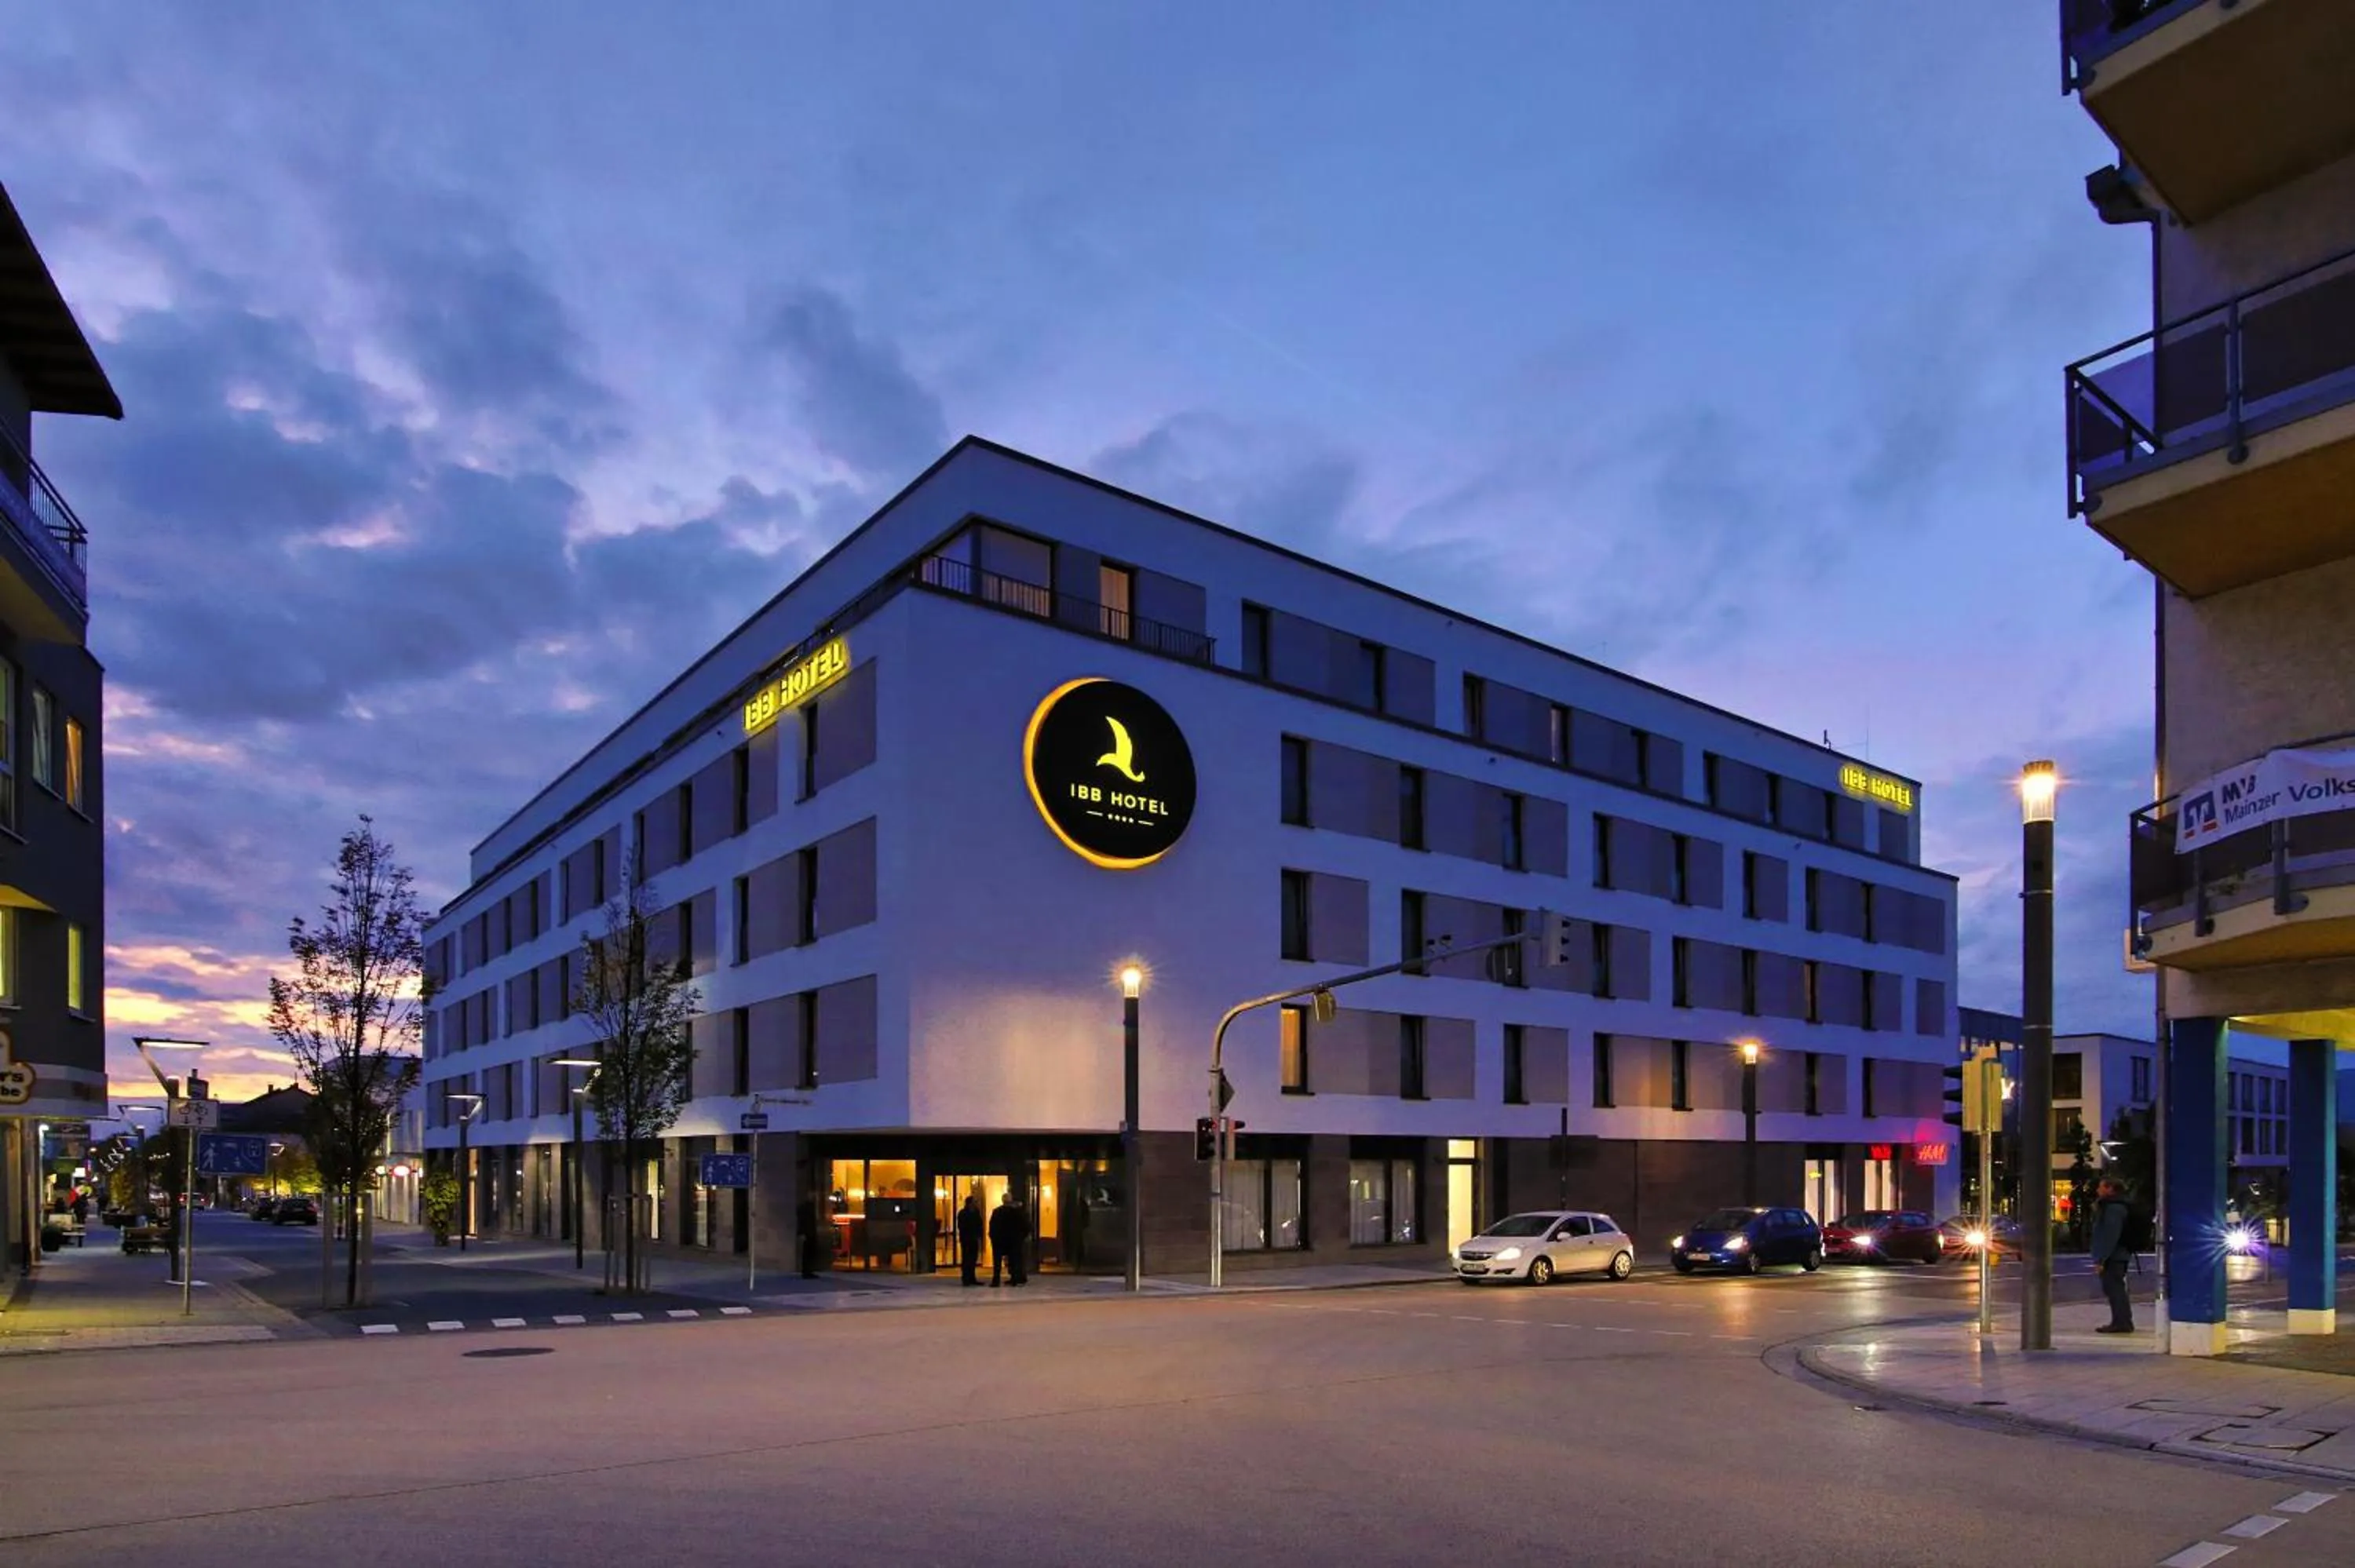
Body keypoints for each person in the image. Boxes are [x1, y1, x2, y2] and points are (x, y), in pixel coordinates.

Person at [2088, 1177, 2135, 1334]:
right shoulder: (2117, 1206)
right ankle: (2122, 1321)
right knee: (2115, 1289)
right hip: (2117, 1254)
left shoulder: (2114, 1208)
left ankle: (2122, 1323)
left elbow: (2110, 1235)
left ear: (2110, 1189)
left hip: (2113, 1256)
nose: (2098, 1190)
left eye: (2101, 1187)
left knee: (2114, 1289)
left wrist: (2101, 1259)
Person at [988, 1191, 1029, 1287]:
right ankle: (1014, 1279)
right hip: (1013, 1241)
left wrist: (993, 1237)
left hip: (999, 1241)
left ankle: (996, 1280)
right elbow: (1025, 1225)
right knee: (1014, 1260)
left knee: (997, 1261)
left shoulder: (997, 1211)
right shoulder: (1016, 1212)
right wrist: (1021, 1237)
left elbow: (992, 1226)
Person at [956, 1191, 985, 1287]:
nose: (976, 1204)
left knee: (973, 1259)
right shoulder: (963, 1213)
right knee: (966, 1259)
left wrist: (979, 1235)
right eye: (974, 1202)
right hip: (966, 1239)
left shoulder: (976, 1213)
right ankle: (966, 1279)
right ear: (969, 1203)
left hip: (974, 1239)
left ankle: (972, 1278)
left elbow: (980, 1224)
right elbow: (962, 1226)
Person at [795, 1194, 820, 1280]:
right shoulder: (808, 1209)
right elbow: (805, 1222)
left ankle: (807, 1271)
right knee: (808, 1254)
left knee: (807, 1254)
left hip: (808, 1233)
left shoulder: (802, 1208)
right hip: (809, 1233)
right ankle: (807, 1272)